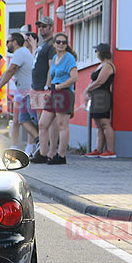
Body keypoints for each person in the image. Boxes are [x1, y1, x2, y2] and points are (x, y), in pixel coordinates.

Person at [0, 33, 38, 154]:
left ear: (14, 42)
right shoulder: (21, 53)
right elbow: (9, 71)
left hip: (28, 93)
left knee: (28, 120)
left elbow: (10, 71)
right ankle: (36, 142)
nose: (6, 45)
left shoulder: (20, 53)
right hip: (24, 92)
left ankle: (36, 143)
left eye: (8, 42)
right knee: (23, 120)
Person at [37, 33, 77, 165]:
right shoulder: (54, 57)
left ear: (67, 44)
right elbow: (51, 73)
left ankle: (61, 156)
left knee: (62, 125)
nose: (61, 44)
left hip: (64, 92)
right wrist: (49, 87)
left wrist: (60, 86)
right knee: (43, 123)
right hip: (54, 92)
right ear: (54, 44)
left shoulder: (69, 58)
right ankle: (43, 154)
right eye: (58, 42)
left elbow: (74, 77)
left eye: (64, 42)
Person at [30, 16, 59, 163]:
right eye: (40, 26)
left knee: (47, 121)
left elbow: (50, 67)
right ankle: (43, 150)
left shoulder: (51, 45)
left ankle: (50, 151)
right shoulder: (43, 44)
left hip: (43, 88)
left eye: (44, 26)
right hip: (36, 87)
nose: (41, 28)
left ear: (51, 28)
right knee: (41, 121)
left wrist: (48, 85)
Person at [84, 43, 117, 158]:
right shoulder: (101, 64)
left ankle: (110, 150)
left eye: (97, 51)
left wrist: (87, 90)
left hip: (103, 96)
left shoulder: (108, 65)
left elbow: (100, 81)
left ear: (102, 52)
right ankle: (98, 149)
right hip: (97, 97)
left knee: (105, 123)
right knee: (98, 124)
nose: (96, 54)